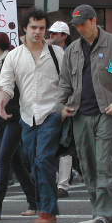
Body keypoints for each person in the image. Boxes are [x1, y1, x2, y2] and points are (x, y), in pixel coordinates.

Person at [59, 5, 112, 223]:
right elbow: (64, 83)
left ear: (94, 21)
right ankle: (103, 212)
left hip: (107, 112)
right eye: (77, 26)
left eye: (83, 24)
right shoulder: (72, 50)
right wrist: (61, 107)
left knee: (103, 162)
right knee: (87, 164)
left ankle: (102, 214)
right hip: (80, 114)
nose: (80, 29)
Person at [0, 10, 63, 223]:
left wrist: (66, 107)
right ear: (25, 28)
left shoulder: (57, 53)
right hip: (27, 116)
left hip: (52, 113)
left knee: (43, 160)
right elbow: (6, 84)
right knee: (35, 164)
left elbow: (69, 82)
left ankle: (46, 211)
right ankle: (49, 207)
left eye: (42, 28)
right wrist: (2, 102)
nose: (38, 32)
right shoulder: (14, 56)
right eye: (34, 27)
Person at [0, 32, 37, 220]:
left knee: (3, 158)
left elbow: (17, 90)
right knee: (15, 161)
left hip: (14, 116)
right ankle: (34, 202)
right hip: (0, 118)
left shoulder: (10, 63)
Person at [48, 21, 76, 198]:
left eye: (55, 34)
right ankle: (57, 179)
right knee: (51, 144)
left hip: (66, 103)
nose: (51, 36)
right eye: (50, 33)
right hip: (49, 103)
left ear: (64, 36)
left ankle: (63, 185)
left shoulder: (71, 53)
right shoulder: (46, 53)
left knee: (65, 143)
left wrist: (69, 104)